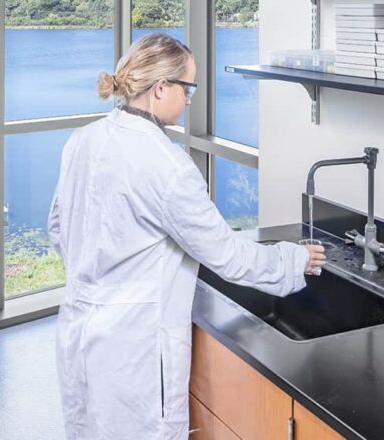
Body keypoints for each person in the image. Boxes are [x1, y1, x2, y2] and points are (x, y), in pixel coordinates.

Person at [47, 33, 325, 440]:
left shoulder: (83, 140)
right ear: (161, 87)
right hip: (134, 351)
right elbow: (227, 256)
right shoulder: (167, 167)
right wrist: (293, 260)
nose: (190, 99)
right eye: (187, 87)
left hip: (78, 330)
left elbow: (57, 227)